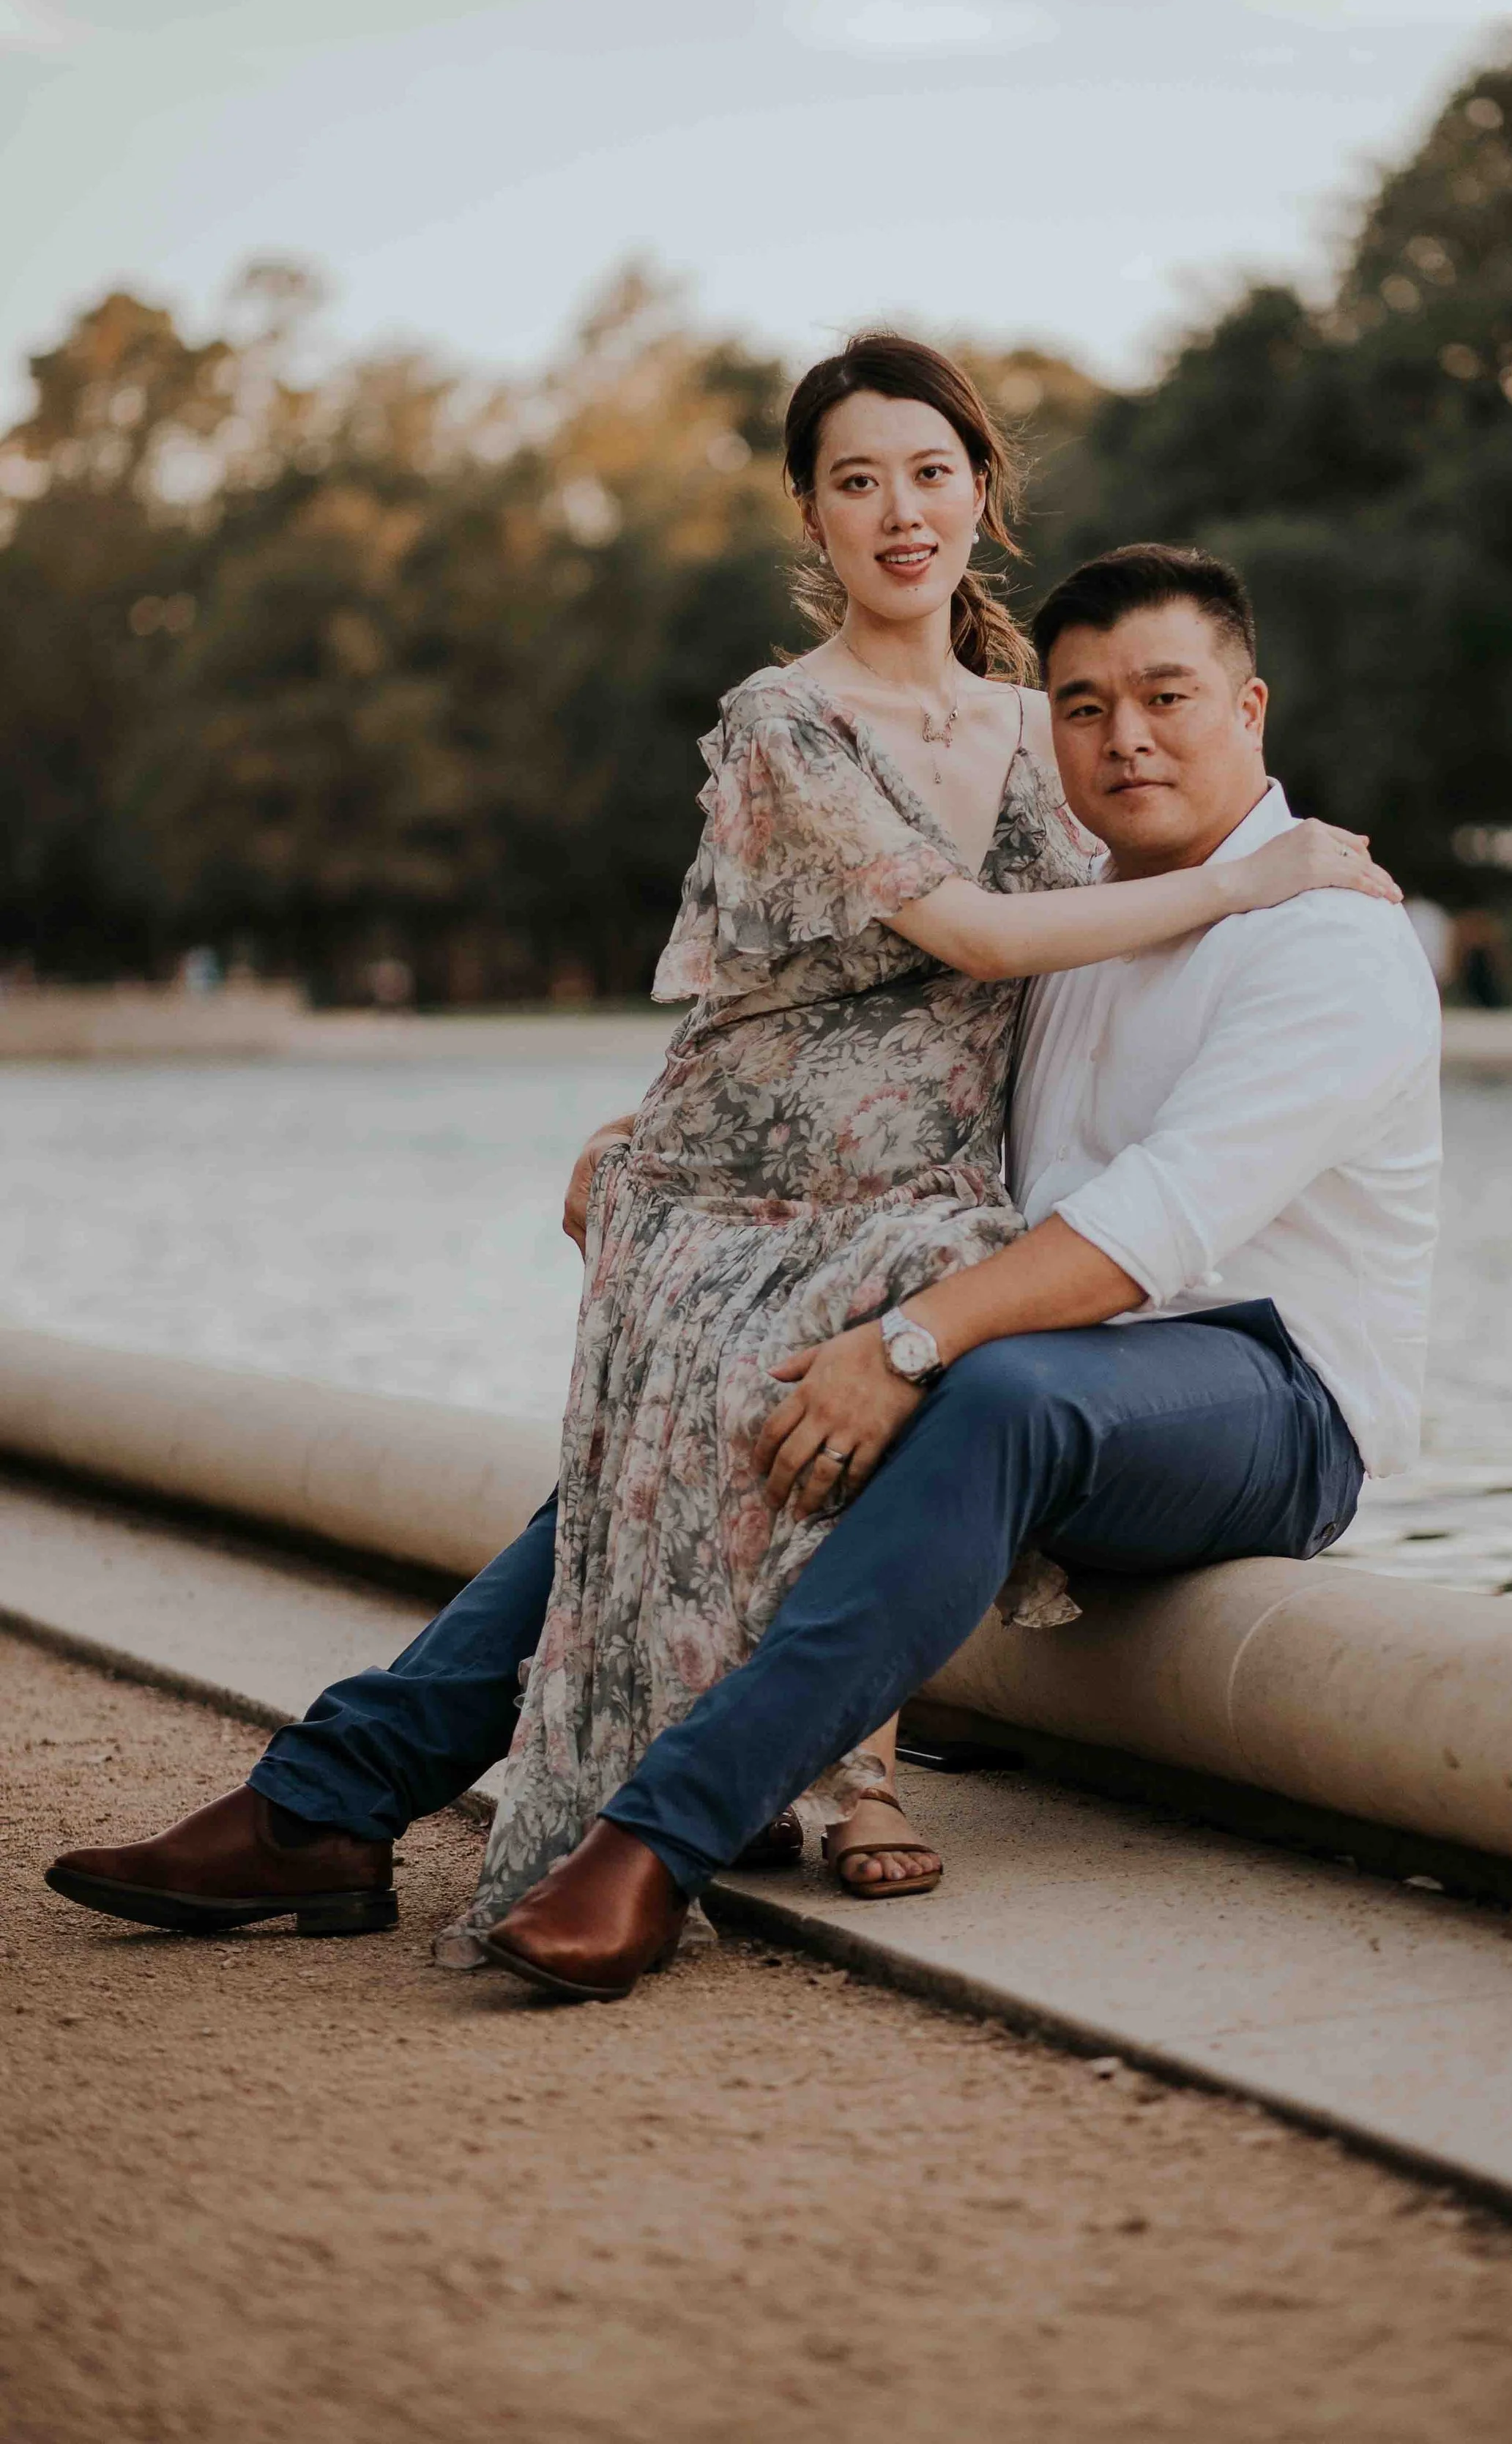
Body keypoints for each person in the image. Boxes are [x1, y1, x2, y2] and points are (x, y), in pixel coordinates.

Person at [45, 346, 1399, 1951]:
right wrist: (675, 1126)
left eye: (1163, 705)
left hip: (1215, 1365)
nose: (1121, 740)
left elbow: (1132, 1201)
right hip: (926, 1266)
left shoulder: (1275, 911)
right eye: (853, 479)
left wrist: (901, 1337)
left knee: (891, 1404)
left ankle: (590, 1832)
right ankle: (328, 1806)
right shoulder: (994, 815)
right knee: (685, 1448)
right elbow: (884, 987)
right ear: (808, 516)